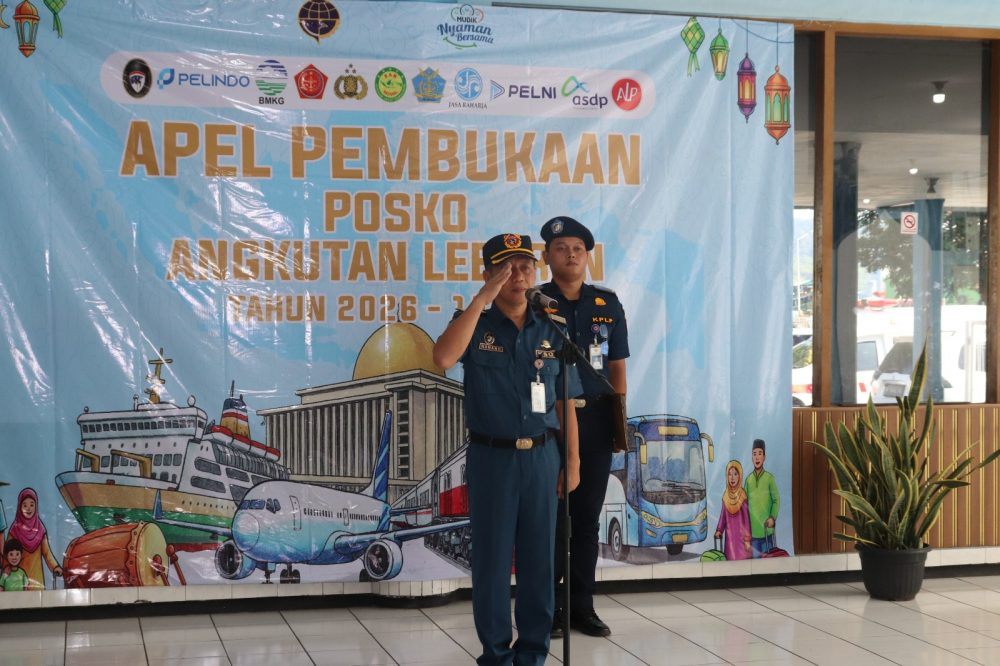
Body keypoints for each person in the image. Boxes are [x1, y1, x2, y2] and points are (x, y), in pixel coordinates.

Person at [433, 232, 582, 666]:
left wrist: (572, 461)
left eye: (525, 267)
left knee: (539, 562)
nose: (518, 276)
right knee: (493, 563)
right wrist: (482, 299)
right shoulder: (473, 322)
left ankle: (533, 653)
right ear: (489, 275)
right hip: (492, 458)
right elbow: (443, 358)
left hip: (542, 457)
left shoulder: (552, 326)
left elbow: (564, 402)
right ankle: (496, 656)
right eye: (506, 269)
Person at [539, 216, 629, 639]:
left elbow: (617, 367)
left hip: (594, 420)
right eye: (561, 249)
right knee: (553, 521)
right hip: (549, 422)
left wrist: (619, 423)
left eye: (578, 249)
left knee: (588, 520)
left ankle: (582, 606)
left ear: (587, 256)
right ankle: (550, 608)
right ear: (547, 257)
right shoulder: (536, 303)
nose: (571, 255)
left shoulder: (606, 304)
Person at [7, 488, 61, 590]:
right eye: (25, 505)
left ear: (36, 506)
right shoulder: (14, 530)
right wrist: (6, 569)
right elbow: (7, 553)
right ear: (19, 507)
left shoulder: (40, 529)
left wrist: (55, 567)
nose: (28, 508)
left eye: (32, 505)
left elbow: (47, 553)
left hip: (37, 582)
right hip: (18, 583)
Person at [744, 438, 780, 557]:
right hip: (752, 535)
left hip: (767, 533)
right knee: (754, 564)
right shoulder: (748, 480)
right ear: (751, 458)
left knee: (768, 564)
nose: (757, 457)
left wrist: (772, 517)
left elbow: (776, 500)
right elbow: (744, 505)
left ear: (764, 457)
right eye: (754, 454)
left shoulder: (769, 478)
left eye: (760, 453)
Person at [714, 460, 752, 560]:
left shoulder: (742, 495)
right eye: (729, 474)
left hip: (742, 541)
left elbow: (746, 520)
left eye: (735, 474)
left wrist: (747, 540)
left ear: (740, 476)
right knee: (729, 562)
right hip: (730, 540)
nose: (732, 477)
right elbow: (723, 517)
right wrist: (719, 530)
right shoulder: (725, 496)